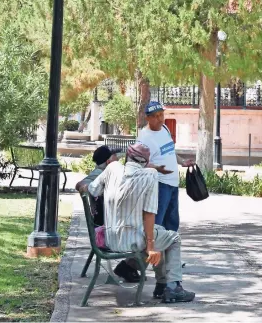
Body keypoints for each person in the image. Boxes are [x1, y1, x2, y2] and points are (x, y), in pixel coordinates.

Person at [77, 143, 196, 303]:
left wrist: (83, 187)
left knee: (159, 232)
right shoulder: (150, 175)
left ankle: (161, 284)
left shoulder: (112, 169)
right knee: (172, 238)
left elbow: (91, 189)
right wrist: (151, 247)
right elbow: (149, 214)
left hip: (110, 237)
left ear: (127, 157)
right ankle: (173, 287)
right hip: (132, 241)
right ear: (146, 162)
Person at [76, 146, 140, 283]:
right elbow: (80, 184)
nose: (118, 158)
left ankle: (129, 267)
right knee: (148, 233)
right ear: (109, 161)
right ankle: (129, 267)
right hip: (107, 230)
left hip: (108, 226)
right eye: (115, 156)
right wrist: (88, 188)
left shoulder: (110, 173)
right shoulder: (99, 173)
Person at [137, 101, 193, 232]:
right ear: (148, 118)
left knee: (172, 224)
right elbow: (139, 163)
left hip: (173, 184)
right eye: (155, 116)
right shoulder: (143, 138)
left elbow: (170, 152)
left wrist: (182, 162)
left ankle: (168, 251)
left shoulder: (165, 129)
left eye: (161, 115)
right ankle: (153, 250)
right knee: (157, 224)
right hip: (159, 185)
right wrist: (157, 168)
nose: (160, 119)